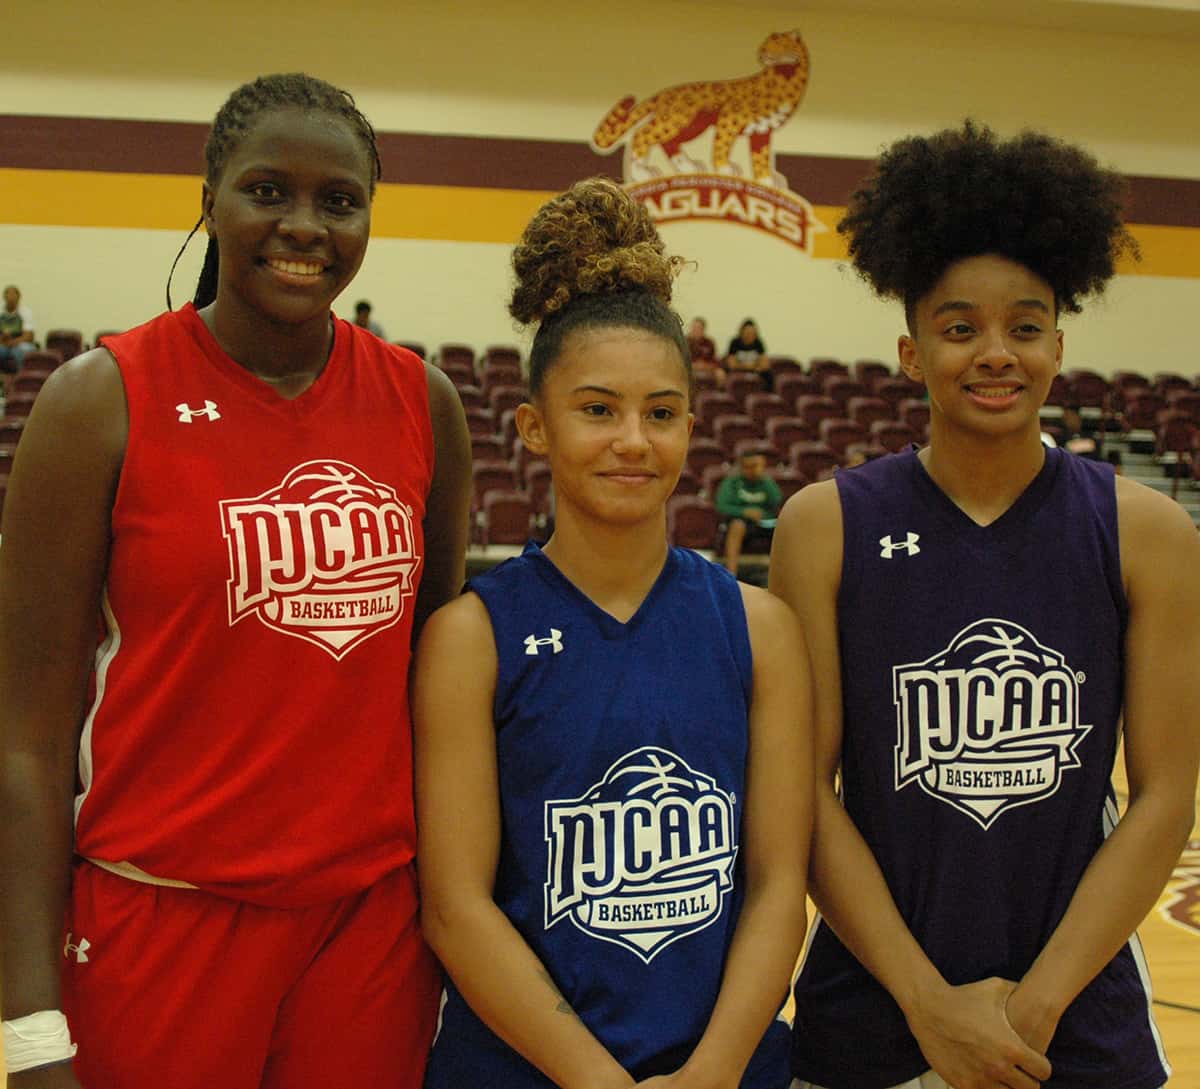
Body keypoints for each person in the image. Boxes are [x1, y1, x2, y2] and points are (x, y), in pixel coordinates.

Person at [0, 73, 471, 1089]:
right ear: (211, 196)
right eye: (269, 190)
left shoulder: (422, 403)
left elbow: (441, 704)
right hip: (159, 914)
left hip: (370, 928)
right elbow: (27, 739)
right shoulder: (100, 402)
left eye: (338, 201)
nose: (304, 226)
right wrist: (28, 1025)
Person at [770, 120, 1199, 1089]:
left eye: (1025, 326)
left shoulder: (1150, 534)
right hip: (873, 1015)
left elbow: (1166, 795)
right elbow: (805, 794)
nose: (994, 352)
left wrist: (1030, 1009)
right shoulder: (824, 526)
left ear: (1059, 345)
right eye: (959, 327)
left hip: (1074, 1023)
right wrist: (928, 1005)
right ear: (911, 352)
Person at [414, 177, 813, 1089]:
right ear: (534, 428)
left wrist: (712, 1072)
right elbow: (456, 906)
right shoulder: (471, 636)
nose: (634, 439)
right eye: (598, 409)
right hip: (522, 1068)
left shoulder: (761, 629)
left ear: (689, 426)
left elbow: (778, 885)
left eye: (661, 413)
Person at [716, 450, 782, 575]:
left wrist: (764, 480)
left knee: (785, 527)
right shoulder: (732, 483)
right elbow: (722, 506)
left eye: (758, 466)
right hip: (742, 522)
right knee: (737, 526)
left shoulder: (766, 482)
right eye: (751, 466)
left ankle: (781, 574)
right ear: (743, 467)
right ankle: (731, 575)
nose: (755, 469)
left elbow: (776, 501)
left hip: (764, 522)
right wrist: (744, 512)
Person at [0, 284, 37, 372]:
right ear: (4, 297)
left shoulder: (25, 312)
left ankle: (22, 378)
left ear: (19, 297)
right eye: (8, 295)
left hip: (19, 343)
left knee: (23, 350)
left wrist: (12, 342)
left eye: (13, 295)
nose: (11, 298)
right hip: (2, 343)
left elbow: (29, 336)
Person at [724, 318, 769, 385]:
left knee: (768, 374)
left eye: (753, 333)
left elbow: (764, 363)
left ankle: (766, 394)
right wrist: (751, 367)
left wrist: (746, 366)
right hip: (738, 371)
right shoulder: (735, 342)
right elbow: (732, 364)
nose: (750, 335)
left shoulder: (758, 343)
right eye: (748, 332)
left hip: (755, 372)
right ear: (742, 332)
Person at [686, 316, 724, 385]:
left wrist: (705, 366)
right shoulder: (684, 342)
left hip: (707, 368)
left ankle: (716, 394)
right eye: (694, 328)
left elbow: (715, 361)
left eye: (698, 328)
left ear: (703, 329)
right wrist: (693, 366)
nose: (696, 330)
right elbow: (680, 361)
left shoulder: (709, 342)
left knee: (720, 373)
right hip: (690, 369)